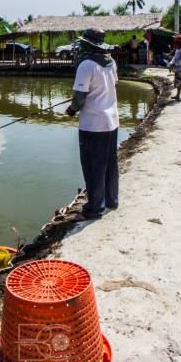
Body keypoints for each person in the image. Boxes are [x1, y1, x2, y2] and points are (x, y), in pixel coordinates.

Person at [66, 27, 120, 220]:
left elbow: (79, 101)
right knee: (110, 163)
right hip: (112, 121)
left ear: (87, 45)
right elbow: (113, 85)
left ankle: (94, 209)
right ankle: (111, 200)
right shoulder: (111, 62)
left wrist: (71, 110)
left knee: (93, 166)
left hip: (93, 125)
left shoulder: (86, 66)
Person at [168, 33, 181, 101]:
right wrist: (171, 63)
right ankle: (177, 95)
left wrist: (175, 64)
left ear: (179, 42)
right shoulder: (178, 48)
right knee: (178, 83)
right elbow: (174, 57)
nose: (175, 44)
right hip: (178, 69)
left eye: (176, 42)